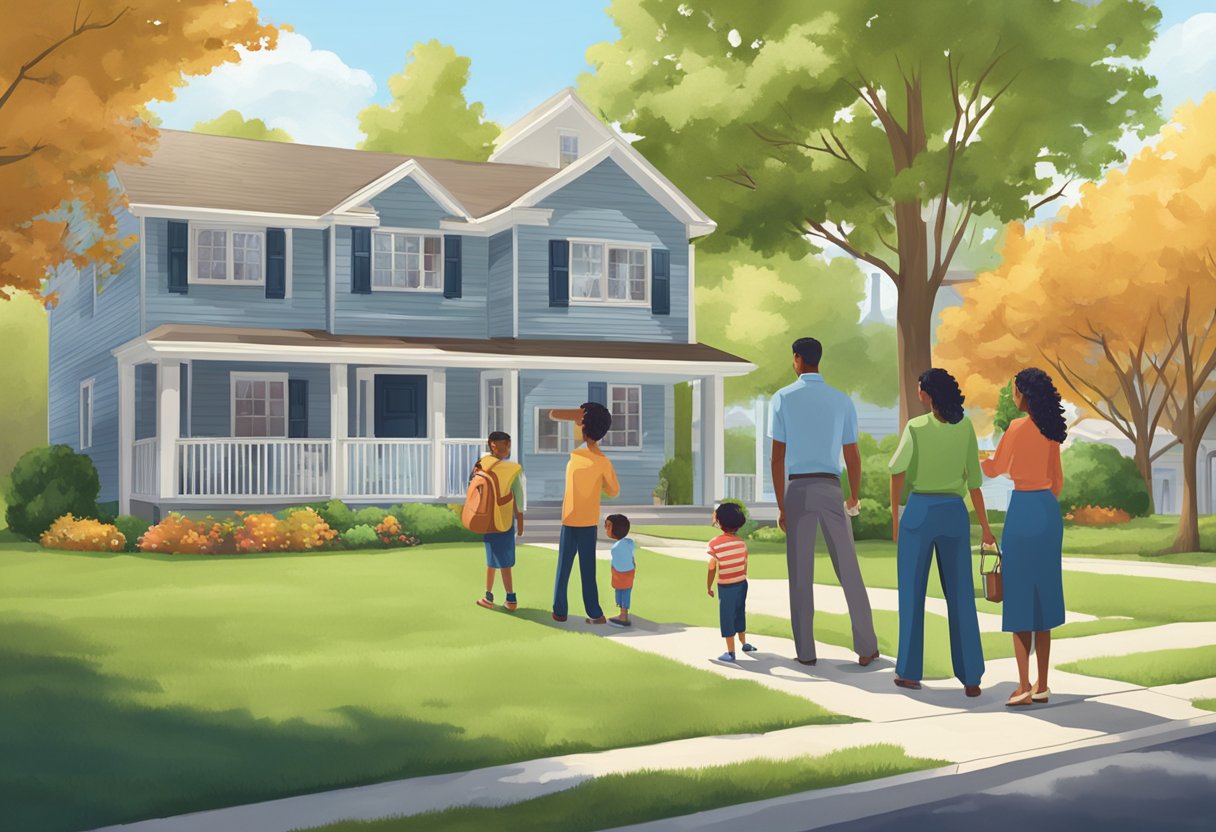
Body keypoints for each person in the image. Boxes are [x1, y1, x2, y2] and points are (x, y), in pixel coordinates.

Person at [770, 337, 880, 668]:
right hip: (831, 487)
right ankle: (866, 646)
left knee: (800, 573)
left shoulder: (782, 398)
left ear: (798, 359)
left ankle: (805, 651)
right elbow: (853, 454)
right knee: (848, 568)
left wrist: (781, 505)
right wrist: (854, 494)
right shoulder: (841, 400)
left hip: (799, 489)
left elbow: (778, 458)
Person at [888, 368, 997, 697]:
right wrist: (986, 529)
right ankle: (971, 676)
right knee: (961, 594)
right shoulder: (965, 427)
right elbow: (975, 482)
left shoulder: (916, 427)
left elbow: (896, 469)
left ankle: (909, 672)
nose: (917, 392)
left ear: (928, 393)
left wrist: (895, 515)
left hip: (920, 511)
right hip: (954, 513)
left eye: (920, 388)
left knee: (912, 595)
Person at [980, 368, 1067, 707]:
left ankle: (1023, 685)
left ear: (1024, 394)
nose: (1012, 395)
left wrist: (978, 459)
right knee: (1044, 597)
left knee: (1019, 598)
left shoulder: (1016, 428)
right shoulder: (1051, 431)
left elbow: (996, 467)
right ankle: (1044, 684)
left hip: (1023, 510)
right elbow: (1057, 481)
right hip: (1047, 512)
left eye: (1014, 389)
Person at [548, 402, 620, 624]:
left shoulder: (575, 458)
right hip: (588, 523)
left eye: (577, 422)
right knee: (587, 571)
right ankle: (594, 612)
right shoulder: (602, 462)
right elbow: (614, 490)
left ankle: (560, 611)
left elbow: (553, 413)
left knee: (563, 569)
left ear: (583, 426)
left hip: (569, 520)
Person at [473, 431, 525, 612]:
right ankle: (509, 598)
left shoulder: (482, 466)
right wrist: (520, 517)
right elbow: (518, 495)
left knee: (493, 560)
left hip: (489, 518)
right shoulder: (510, 469)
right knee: (504, 560)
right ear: (493, 446)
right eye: (506, 444)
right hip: (504, 518)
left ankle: (491, 596)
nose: (508, 448)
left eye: (509, 444)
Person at [706, 501, 756, 663]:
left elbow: (712, 566)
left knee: (727, 616)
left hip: (726, 586)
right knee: (739, 612)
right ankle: (744, 642)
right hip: (742, 583)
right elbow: (745, 564)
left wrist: (709, 586)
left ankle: (730, 652)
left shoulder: (714, 543)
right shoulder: (741, 543)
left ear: (719, 522)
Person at [606, 514, 636, 627]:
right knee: (626, 592)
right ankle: (623, 613)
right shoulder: (630, 543)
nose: (606, 529)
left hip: (620, 574)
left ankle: (623, 616)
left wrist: (614, 570)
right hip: (630, 572)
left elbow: (617, 562)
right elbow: (632, 557)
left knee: (621, 593)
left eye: (608, 526)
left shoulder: (615, 548)